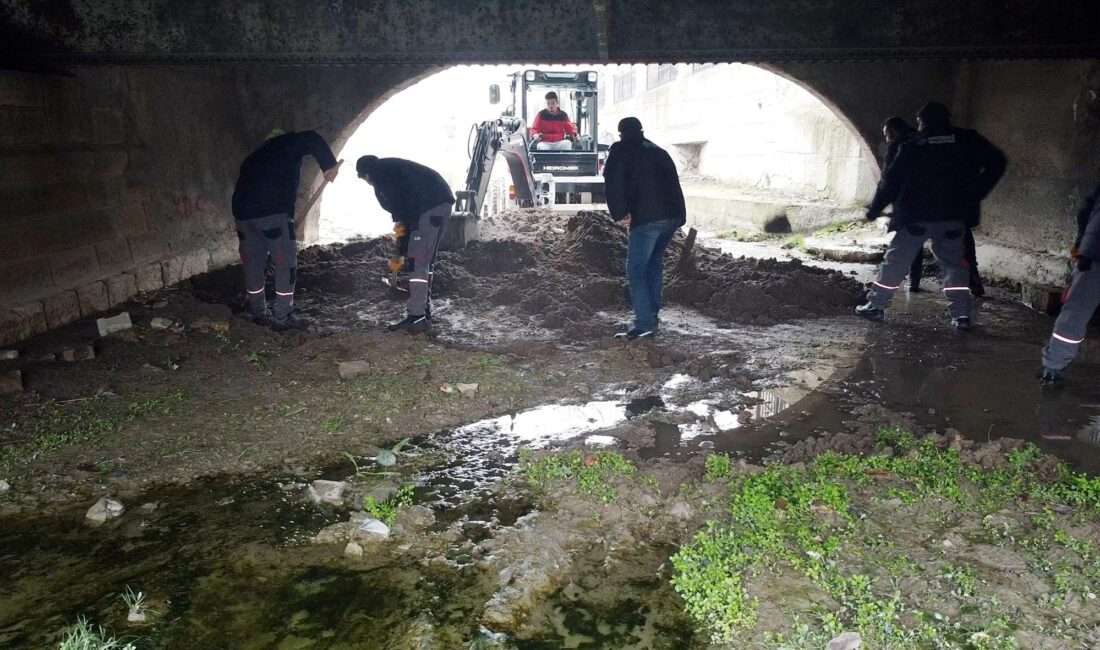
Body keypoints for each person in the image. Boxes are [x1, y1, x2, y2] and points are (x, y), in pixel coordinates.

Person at [857, 102, 1006, 330]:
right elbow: (998, 161)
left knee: (896, 261)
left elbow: (891, 181)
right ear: (948, 119)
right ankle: (961, 316)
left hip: (916, 216)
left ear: (921, 122)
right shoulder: (967, 140)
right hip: (953, 216)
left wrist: (874, 210)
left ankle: (876, 305)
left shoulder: (913, 144)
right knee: (955, 266)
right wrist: (977, 192)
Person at [231, 129, 339, 330]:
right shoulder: (287, 143)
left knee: (253, 263)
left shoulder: (253, 157)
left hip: (243, 214)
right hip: (272, 212)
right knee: (284, 263)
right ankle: (283, 316)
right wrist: (329, 165)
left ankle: (259, 312)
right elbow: (313, 138)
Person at [603, 117, 686, 340]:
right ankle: (651, 314)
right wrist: (679, 217)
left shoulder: (621, 150)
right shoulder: (658, 150)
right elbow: (674, 183)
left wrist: (620, 214)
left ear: (621, 134)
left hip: (647, 219)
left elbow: (613, 182)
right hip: (671, 218)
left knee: (636, 271)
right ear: (641, 130)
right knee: (653, 264)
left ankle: (643, 324)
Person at [356, 155, 455, 333]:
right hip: (441, 203)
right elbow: (404, 214)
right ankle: (424, 310)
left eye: (364, 179)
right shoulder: (390, 168)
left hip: (428, 207)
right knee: (426, 260)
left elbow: (401, 218)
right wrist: (401, 249)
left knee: (417, 261)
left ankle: (416, 318)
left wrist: (399, 253)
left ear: (366, 175)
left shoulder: (380, 176)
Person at [1040, 179, 1100, 387]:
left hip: (1095, 250)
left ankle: (1052, 370)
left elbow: (1085, 211)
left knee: (1075, 313)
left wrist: (1081, 244)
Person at [881, 116, 926, 292]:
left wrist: (879, 204)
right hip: (932, 199)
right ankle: (914, 281)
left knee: (907, 240)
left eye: (886, 134)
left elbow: (888, 177)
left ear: (892, 131)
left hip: (907, 201)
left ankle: (890, 283)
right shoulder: (923, 139)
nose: (886, 139)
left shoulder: (897, 145)